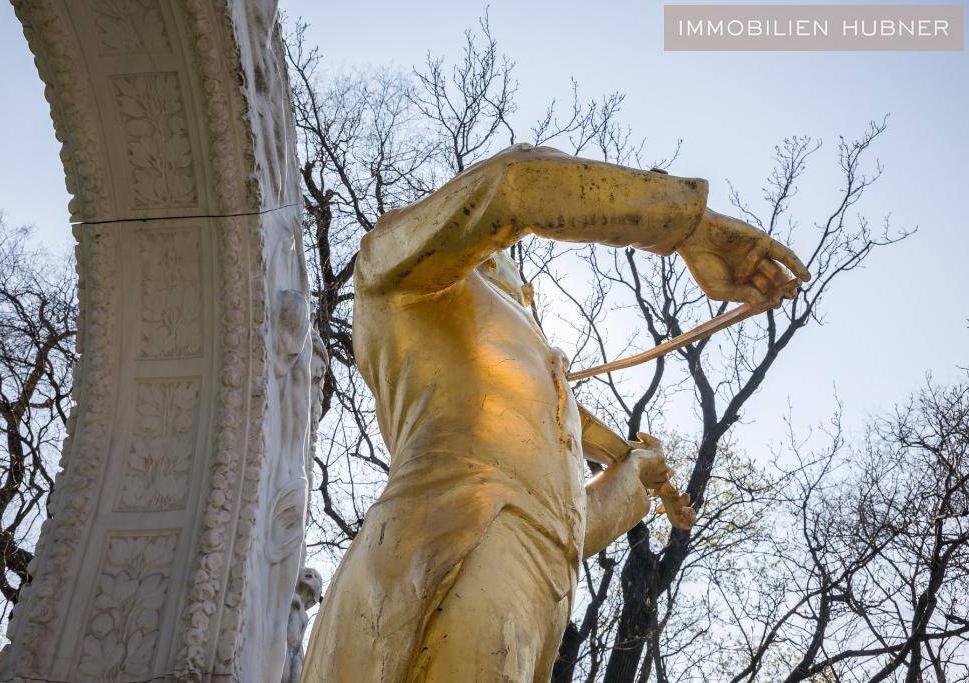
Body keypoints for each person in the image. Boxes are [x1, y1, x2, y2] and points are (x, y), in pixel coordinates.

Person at [300, 144, 808, 682]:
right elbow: (515, 186)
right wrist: (692, 227)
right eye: (495, 253)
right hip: (443, 556)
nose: (515, 276)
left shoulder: (528, 372)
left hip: (539, 594)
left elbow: (561, 528)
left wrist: (634, 474)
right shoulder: (394, 267)